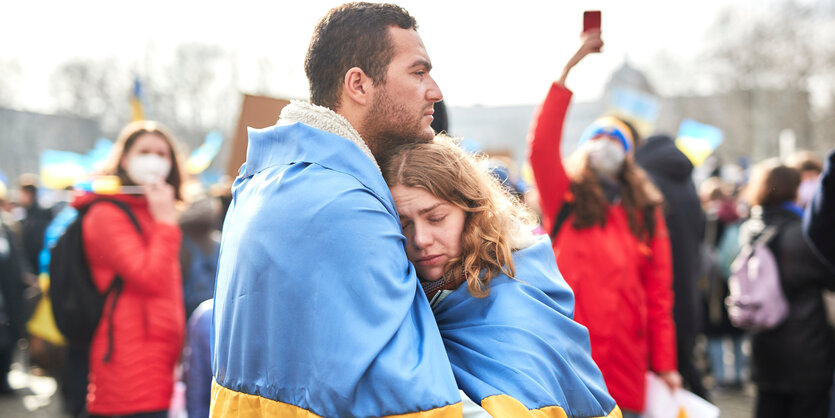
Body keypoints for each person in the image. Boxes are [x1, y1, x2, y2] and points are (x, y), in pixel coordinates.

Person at [212, 3, 462, 416]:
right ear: (359, 85)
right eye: (418, 72)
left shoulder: (263, 183)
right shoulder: (345, 206)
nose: (435, 90)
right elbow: (411, 400)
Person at [381, 136, 620, 417]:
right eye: (403, 223)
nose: (420, 239)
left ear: (472, 211)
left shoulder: (516, 293)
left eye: (436, 218)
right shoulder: (400, 294)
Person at [527, 31, 680, 417]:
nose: (606, 144)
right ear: (584, 147)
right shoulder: (563, 197)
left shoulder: (646, 211)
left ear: (628, 157)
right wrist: (569, 69)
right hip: (569, 354)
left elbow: (660, 295)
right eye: (599, 136)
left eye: (617, 139)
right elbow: (542, 146)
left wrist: (666, 364)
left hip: (628, 360)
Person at [75, 120, 185, 417]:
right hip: (125, 360)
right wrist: (165, 222)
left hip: (160, 361)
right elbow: (148, 276)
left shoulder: (153, 209)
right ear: (125, 158)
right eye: (145, 151)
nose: (155, 159)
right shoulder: (105, 212)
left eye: (163, 154)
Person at [739, 159, 835, 418]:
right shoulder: (803, 233)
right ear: (794, 188)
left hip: (764, 346)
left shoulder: (750, 228)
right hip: (807, 347)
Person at [635, 133, 709, 399]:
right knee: (684, 362)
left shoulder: (642, 181)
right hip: (687, 285)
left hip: (657, 287)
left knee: (664, 375)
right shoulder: (688, 182)